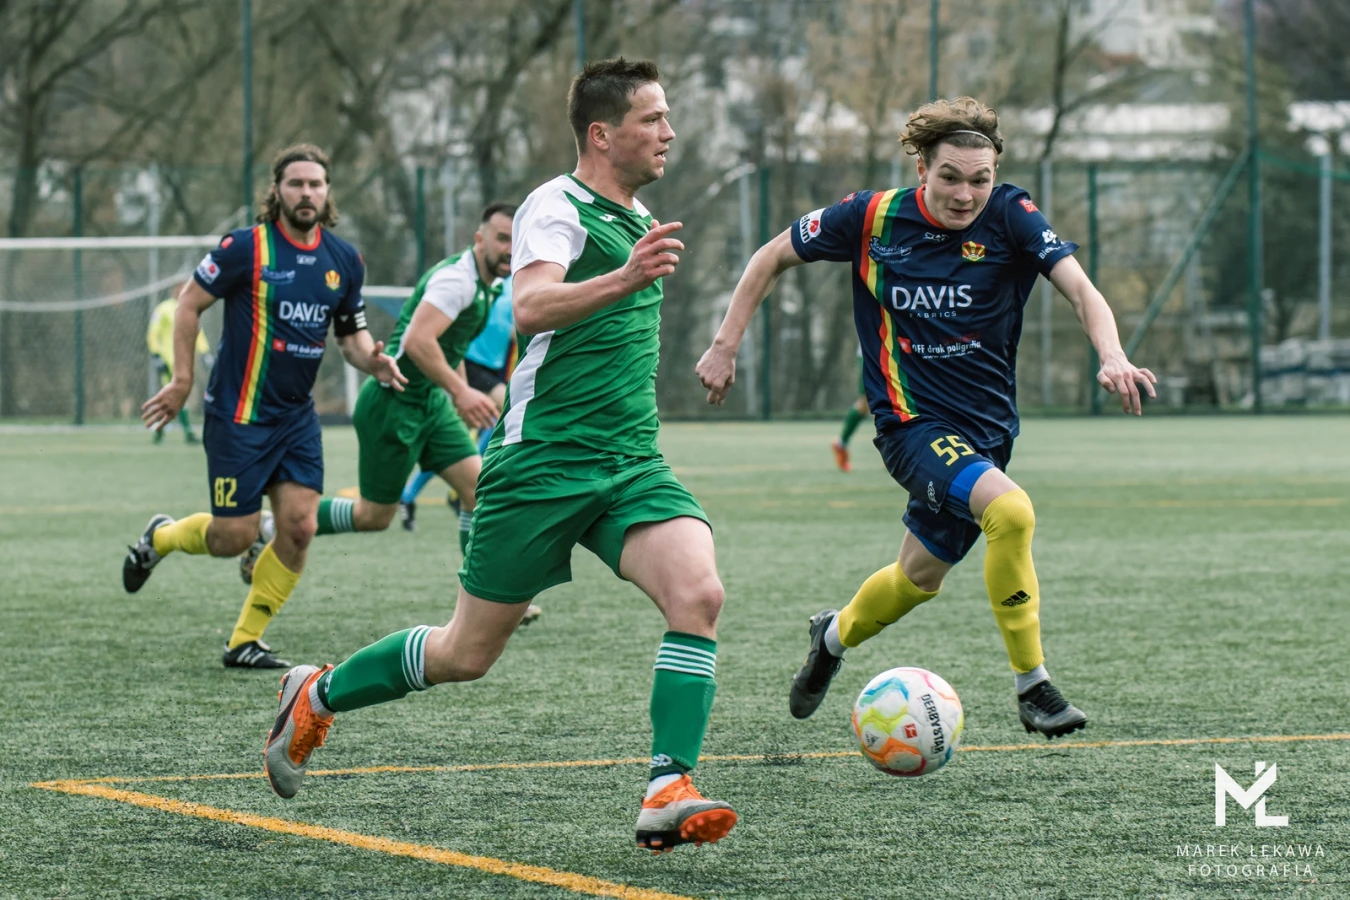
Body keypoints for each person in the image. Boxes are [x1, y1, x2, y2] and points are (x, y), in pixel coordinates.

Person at [263, 58, 738, 854]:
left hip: (629, 461)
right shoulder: (558, 205)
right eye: (653, 118)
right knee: (465, 654)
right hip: (542, 464)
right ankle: (318, 694)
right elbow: (531, 303)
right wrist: (625, 278)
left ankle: (668, 787)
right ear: (602, 133)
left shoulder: (640, 216)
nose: (669, 131)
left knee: (700, 595)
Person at [696, 97, 1157, 738]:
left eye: (979, 179)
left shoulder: (1012, 215)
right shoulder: (871, 217)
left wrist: (1112, 354)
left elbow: (1080, 288)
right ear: (922, 168)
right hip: (910, 425)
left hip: (988, 432)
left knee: (917, 577)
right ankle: (1034, 687)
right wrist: (725, 345)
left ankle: (830, 638)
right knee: (1011, 512)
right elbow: (769, 256)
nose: (965, 194)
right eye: (950, 177)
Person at [125, 143, 406, 669]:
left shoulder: (344, 260)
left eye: (316, 184)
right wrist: (182, 379)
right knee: (233, 538)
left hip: (297, 419)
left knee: (300, 527)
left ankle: (243, 642)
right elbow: (188, 305)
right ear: (276, 191)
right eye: (296, 183)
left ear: (327, 192)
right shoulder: (245, 248)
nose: (306, 193)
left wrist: (374, 362)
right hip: (239, 415)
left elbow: (351, 338)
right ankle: (159, 537)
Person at [309, 203, 513, 555]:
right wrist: (461, 392)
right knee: (373, 516)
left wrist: (458, 393)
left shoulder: (489, 284)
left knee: (478, 491)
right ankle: (278, 524)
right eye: (502, 238)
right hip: (394, 403)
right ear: (480, 239)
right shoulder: (457, 281)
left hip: (429, 404)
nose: (511, 249)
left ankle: (479, 590)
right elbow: (418, 342)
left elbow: (452, 345)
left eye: (517, 240)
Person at [398, 274, 519, 531]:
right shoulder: (499, 284)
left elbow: (513, 331)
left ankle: (408, 496)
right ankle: (463, 487)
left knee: (460, 440)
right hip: (473, 364)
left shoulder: (519, 282)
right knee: (507, 413)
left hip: (493, 368)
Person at [146, 291, 213, 444]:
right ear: (174, 289)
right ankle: (182, 431)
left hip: (186, 359)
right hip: (168, 360)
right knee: (171, 394)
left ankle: (164, 431)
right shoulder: (163, 309)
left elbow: (197, 332)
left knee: (180, 396)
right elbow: (153, 333)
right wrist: (156, 355)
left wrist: (204, 352)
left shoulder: (190, 306)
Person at [831, 350, 867, 472]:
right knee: (864, 404)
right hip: (871, 351)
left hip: (898, 350)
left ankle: (894, 453)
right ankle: (841, 444)